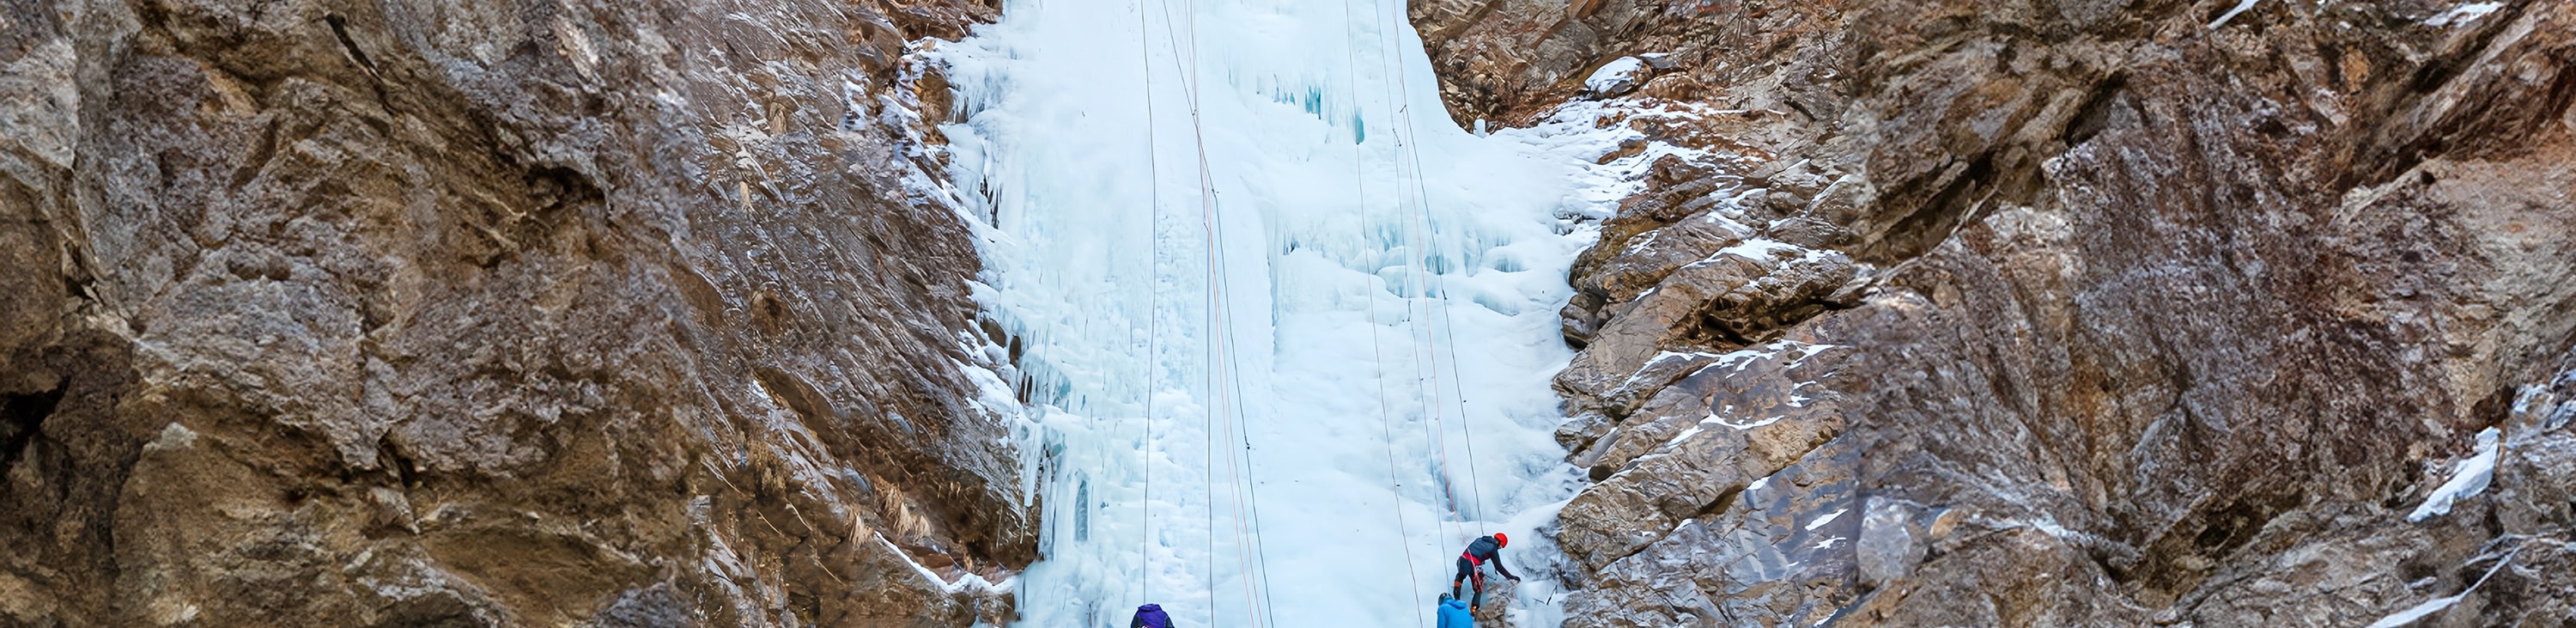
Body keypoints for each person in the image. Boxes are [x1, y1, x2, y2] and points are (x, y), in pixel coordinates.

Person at [1450, 533, 1519, 611]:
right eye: (1500, 547)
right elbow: (1498, 567)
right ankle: (1473, 610)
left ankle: (1456, 600)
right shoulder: (1493, 548)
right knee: (1479, 587)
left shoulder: (1479, 539)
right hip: (1473, 564)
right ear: (1499, 543)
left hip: (1461, 560)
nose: (1499, 548)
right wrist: (1510, 577)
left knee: (1460, 576)